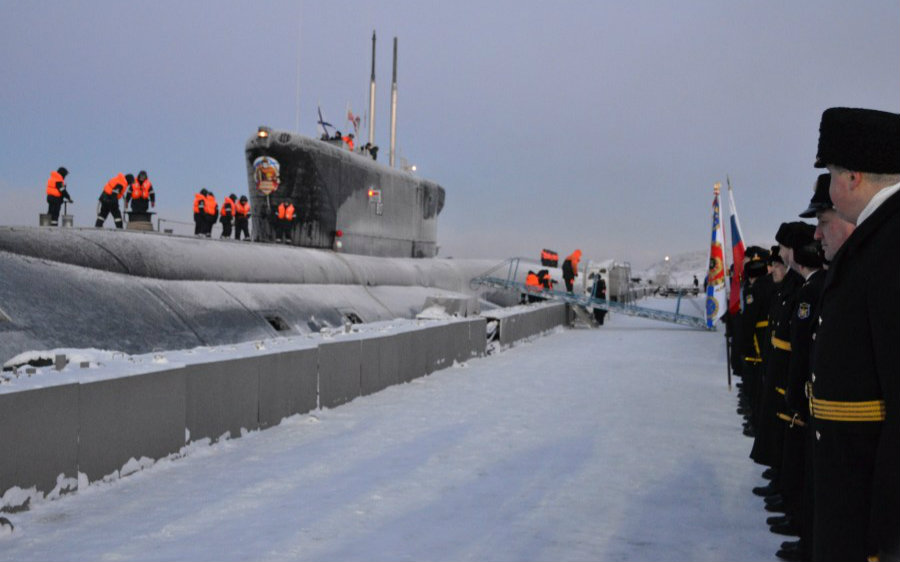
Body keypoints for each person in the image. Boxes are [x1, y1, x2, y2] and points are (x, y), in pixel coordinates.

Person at [808, 107, 900, 562]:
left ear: (853, 177)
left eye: (830, 173)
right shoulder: (878, 238)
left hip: (867, 498)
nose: (827, 187)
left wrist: (888, 530)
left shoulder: (890, 243)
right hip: (851, 479)